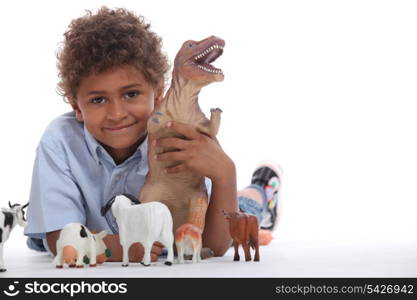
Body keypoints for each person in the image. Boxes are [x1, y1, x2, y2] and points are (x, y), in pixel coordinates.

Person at [24, 7, 282, 262]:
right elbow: (59, 238)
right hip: (88, 226)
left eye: (131, 94)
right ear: (75, 107)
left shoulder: (179, 135)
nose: (116, 113)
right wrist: (120, 248)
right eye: (98, 99)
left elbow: (214, 245)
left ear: (158, 94)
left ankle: (262, 187)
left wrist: (226, 175)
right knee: (43, 238)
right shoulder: (60, 140)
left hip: (184, 227)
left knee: (244, 212)